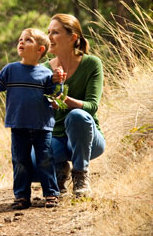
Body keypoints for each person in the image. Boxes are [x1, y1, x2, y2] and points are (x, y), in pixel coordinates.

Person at [0, 28, 60, 210]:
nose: (21, 42)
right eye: (20, 39)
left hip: (42, 126)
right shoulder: (11, 70)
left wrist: (59, 83)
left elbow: (55, 98)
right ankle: (22, 196)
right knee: (20, 161)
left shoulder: (47, 74)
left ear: (40, 50)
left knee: (45, 159)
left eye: (28, 40)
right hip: (18, 125)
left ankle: (51, 193)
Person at [44, 14, 105, 197]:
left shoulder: (92, 64)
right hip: (57, 138)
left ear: (73, 38)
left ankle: (80, 174)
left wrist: (65, 100)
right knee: (31, 161)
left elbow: (92, 106)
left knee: (77, 115)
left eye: (55, 32)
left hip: (87, 138)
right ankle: (60, 169)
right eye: (48, 32)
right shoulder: (44, 69)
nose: (49, 37)